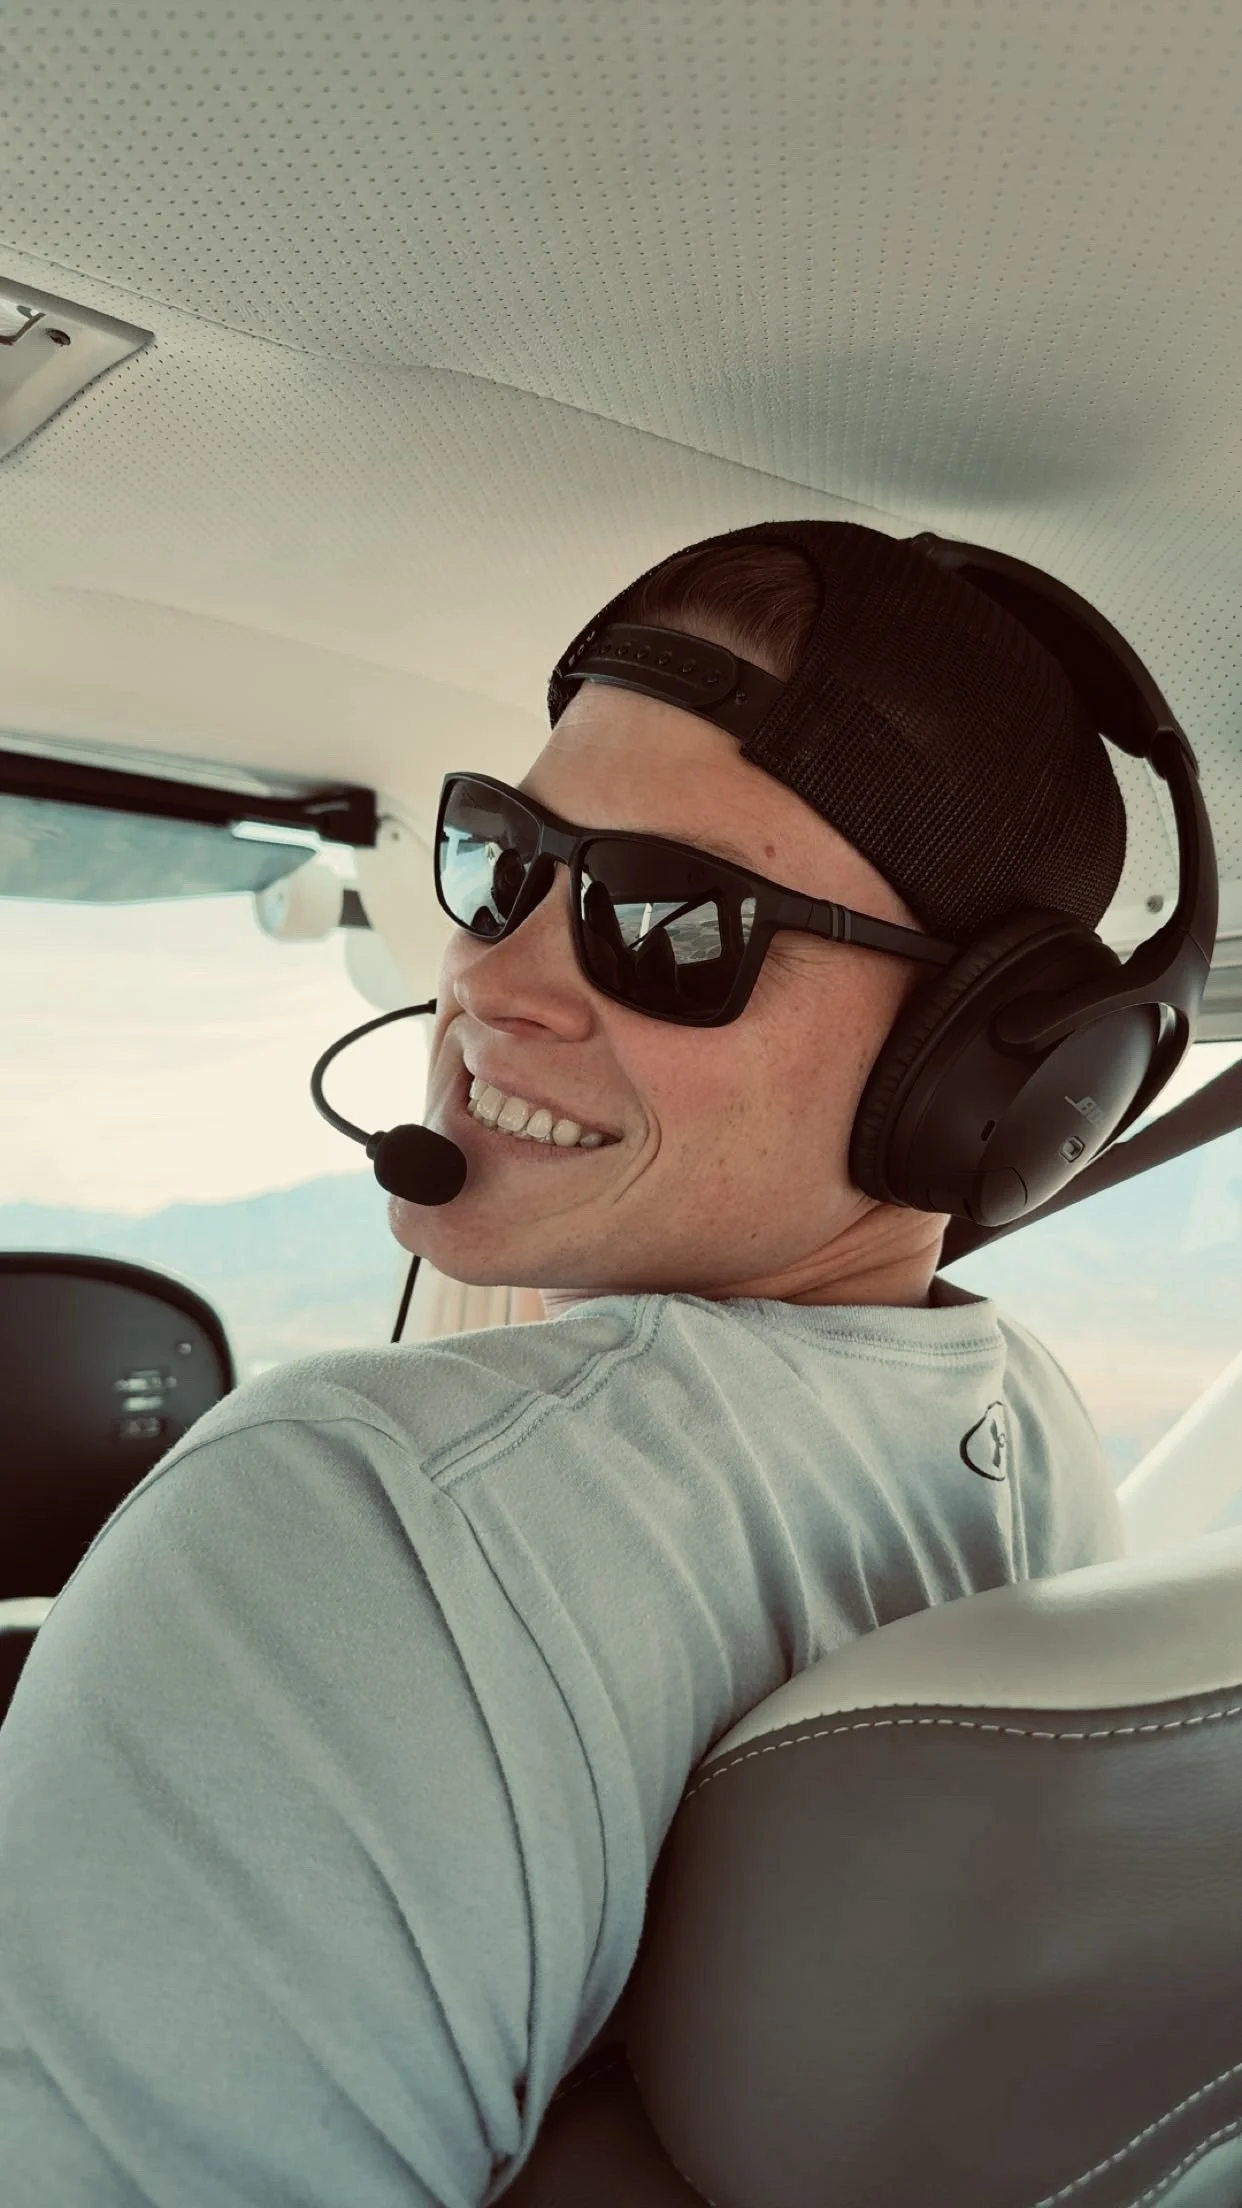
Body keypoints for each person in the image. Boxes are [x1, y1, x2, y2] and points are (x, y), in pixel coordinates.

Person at [0, 521, 1126, 2208]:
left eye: (666, 920)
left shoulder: (355, 1513)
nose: (492, 977)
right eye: (504, 857)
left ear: (975, 1074)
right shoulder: (1018, 1426)